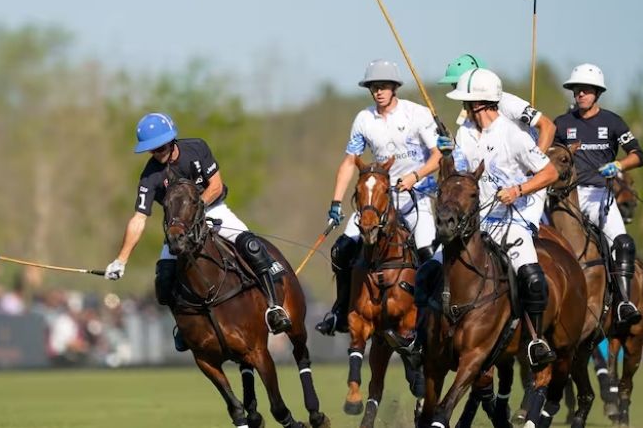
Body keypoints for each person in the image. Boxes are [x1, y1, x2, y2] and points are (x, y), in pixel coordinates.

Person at [105, 113, 291, 352]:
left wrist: (196, 208)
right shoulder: (149, 176)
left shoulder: (196, 148)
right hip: (179, 227)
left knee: (252, 246)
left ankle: (275, 307)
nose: (157, 153)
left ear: (171, 141)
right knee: (164, 279)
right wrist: (121, 260)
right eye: (151, 150)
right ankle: (182, 327)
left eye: (160, 147)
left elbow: (216, 185)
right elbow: (139, 218)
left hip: (213, 209)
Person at [314, 59, 442, 339]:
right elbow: (350, 162)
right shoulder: (364, 120)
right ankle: (340, 311)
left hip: (415, 195)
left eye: (383, 87)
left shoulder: (417, 114)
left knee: (426, 252)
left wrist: (415, 176)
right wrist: (336, 203)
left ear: (395, 88)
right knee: (342, 250)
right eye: (373, 87)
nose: (378, 92)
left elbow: (439, 156)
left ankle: (434, 314)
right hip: (378, 198)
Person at [443, 68, 559, 366]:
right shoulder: (465, 133)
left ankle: (534, 340)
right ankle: (428, 334)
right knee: (433, 267)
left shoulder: (513, 135)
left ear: (479, 103)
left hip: (513, 218)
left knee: (531, 277)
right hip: (477, 223)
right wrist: (445, 155)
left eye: (466, 102)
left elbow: (550, 172)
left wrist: (518, 189)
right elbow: (459, 173)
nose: (463, 107)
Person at [553, 63, 643, 328]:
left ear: (597, 93)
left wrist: (618, 165)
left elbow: (639, 155)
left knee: (623, 243)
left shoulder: (612, 122)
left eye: (586, 90)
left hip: (598, 196)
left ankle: (624, 301)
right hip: (564, 196)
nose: (580, 94)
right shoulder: (562, 124)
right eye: (576, 90)